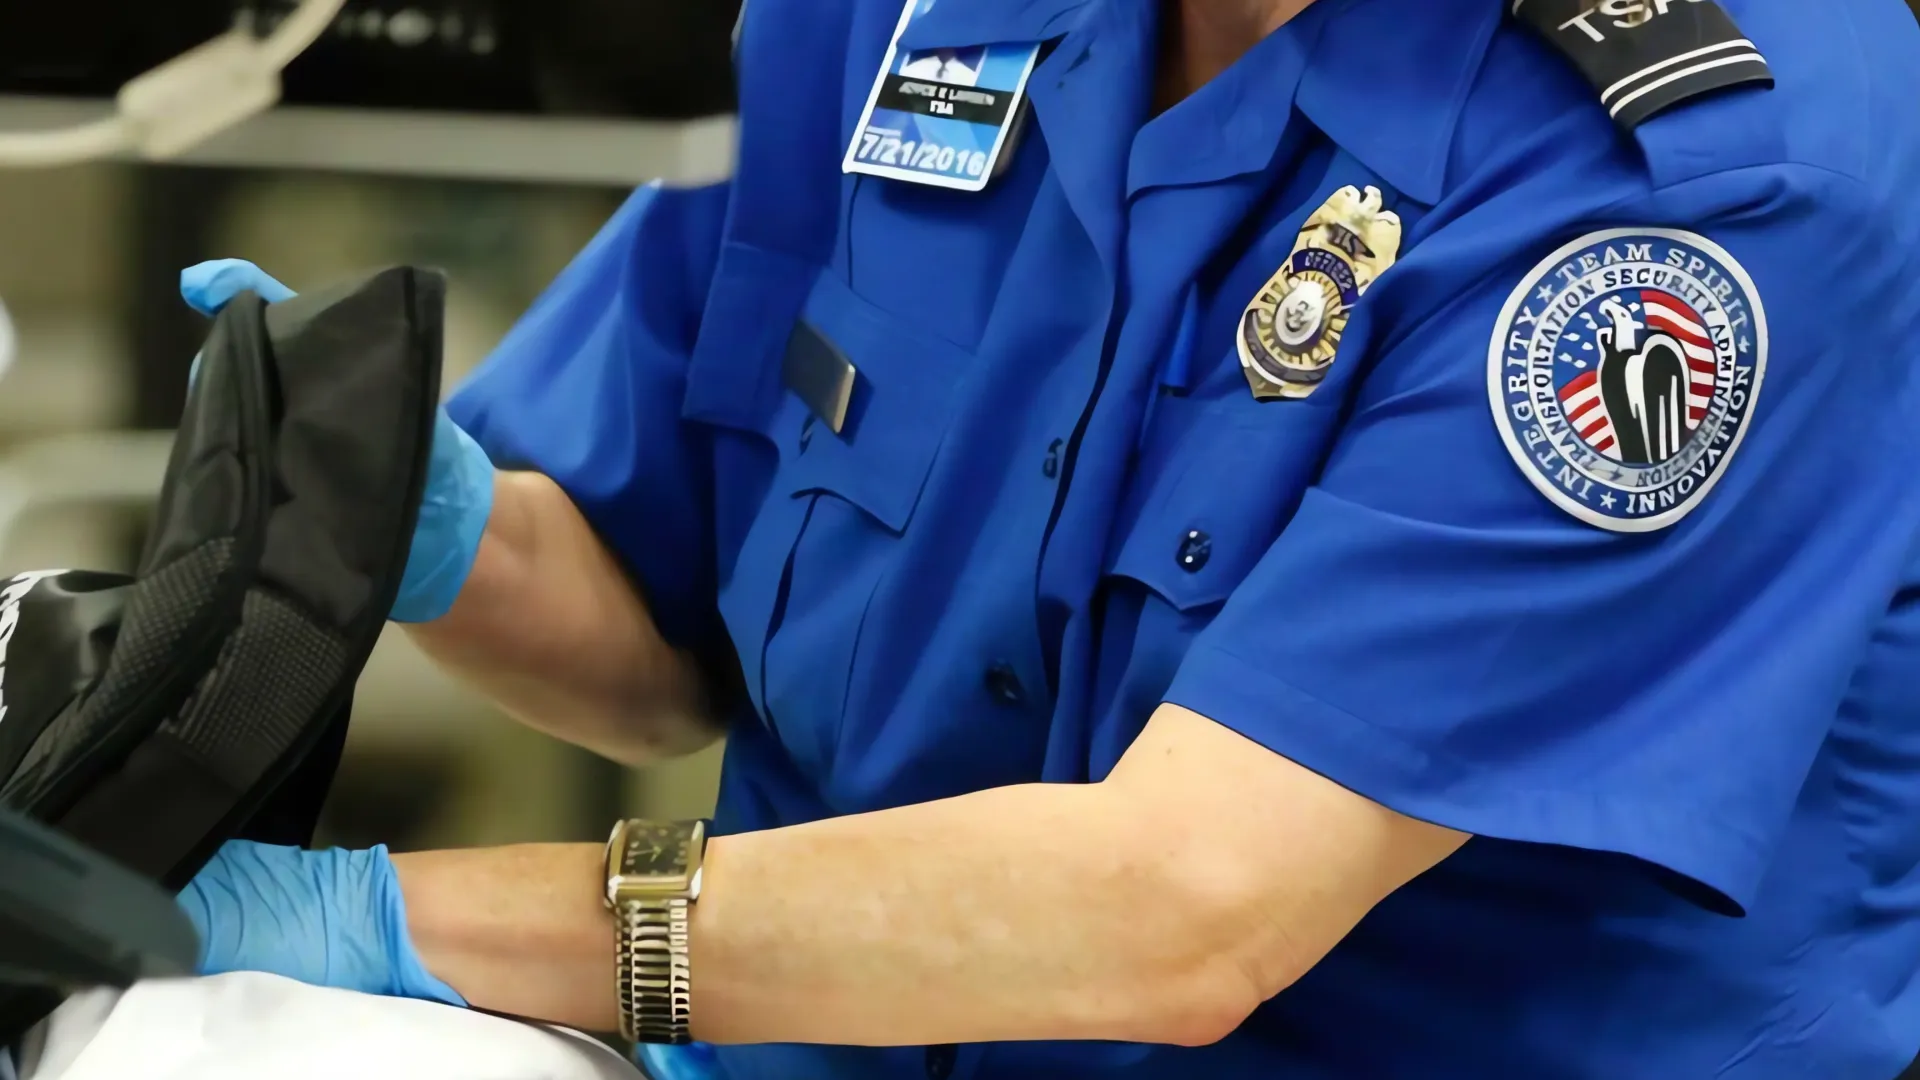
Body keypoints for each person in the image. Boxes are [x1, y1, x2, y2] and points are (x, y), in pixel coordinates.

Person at [171, 0, 1920, 1077]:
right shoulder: (915, 14)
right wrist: (430, 528)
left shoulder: (1701, 195)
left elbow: (1180, 919)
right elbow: (661, 636)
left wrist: (373, 916)